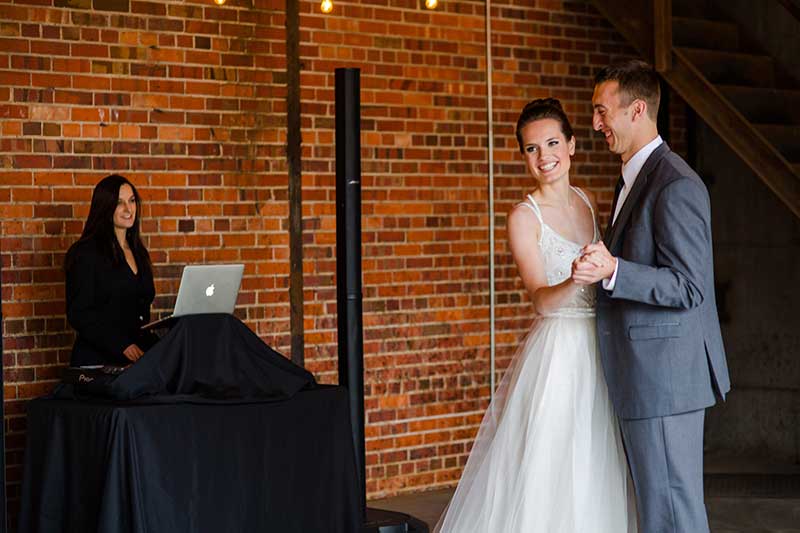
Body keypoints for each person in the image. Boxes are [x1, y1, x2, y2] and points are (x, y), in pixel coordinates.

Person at [435, 99, 636, 532]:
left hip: (598, 348)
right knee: (549, 464)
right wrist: (578, 279)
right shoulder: (523, 218)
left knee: (592, 460)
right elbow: (541, 301)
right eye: (531, 149)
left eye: (551, 143)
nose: (544, 157)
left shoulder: (586, 201)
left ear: (572, 145)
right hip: (559, 353)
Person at [572, 60, 731, 532]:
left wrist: (615, 269)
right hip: (647, 377)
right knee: (659, 512)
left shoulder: (675, 183)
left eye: (602, 112)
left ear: (637, 109)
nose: (595, 123)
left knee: (672, 515)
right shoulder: (633, 176)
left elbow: (689, 286)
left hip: (663, 379)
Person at [64, 174, 159, 367]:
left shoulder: (139, 252)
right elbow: (79, 313)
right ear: (105, 208)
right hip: (101, 357)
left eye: (132, 201)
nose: (128, 209)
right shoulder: (86, 253)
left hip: (138, 353)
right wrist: (121, 344)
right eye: (119, 203)